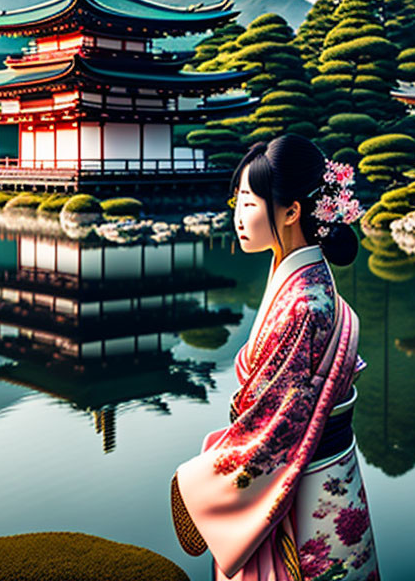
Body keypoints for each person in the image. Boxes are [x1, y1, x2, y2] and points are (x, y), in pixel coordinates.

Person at [170, 134, 380, 581]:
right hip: (325, 472)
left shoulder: (303, 305)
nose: (238, 217)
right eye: (237, 202)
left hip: (306, 489)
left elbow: (277, 429)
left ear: (290, 212)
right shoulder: (307, 273)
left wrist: (200, 483)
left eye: (249, 203)